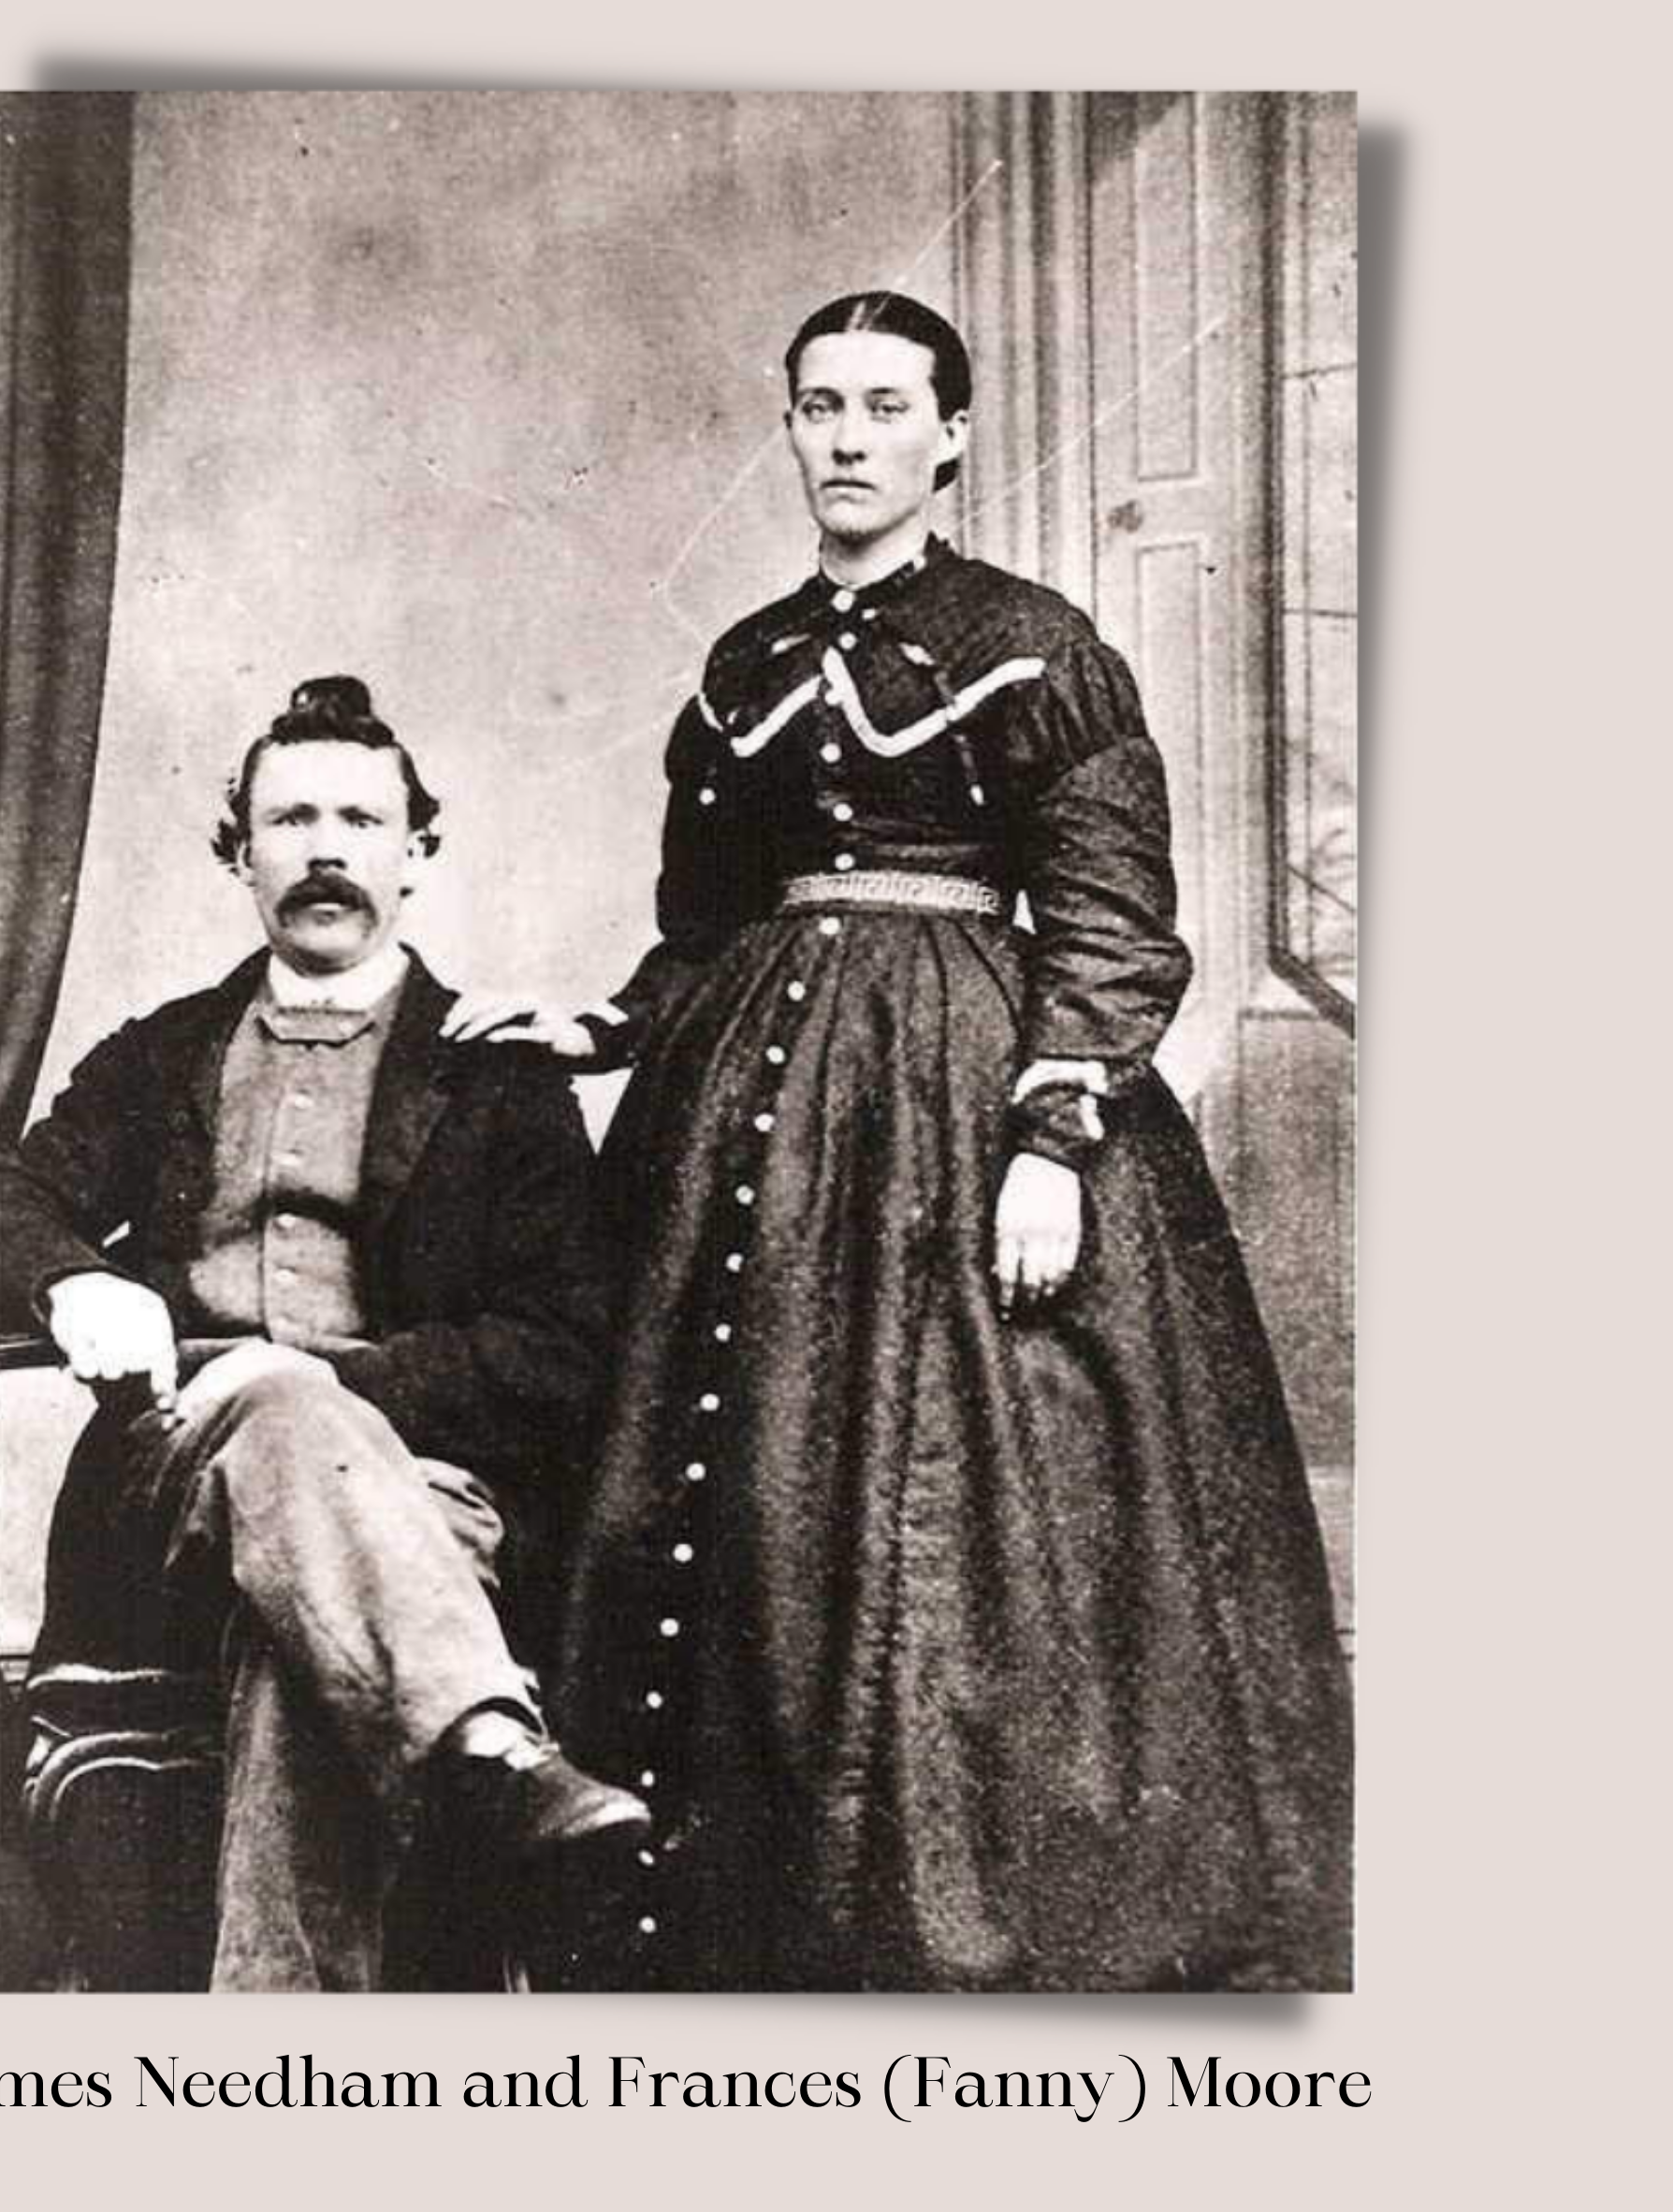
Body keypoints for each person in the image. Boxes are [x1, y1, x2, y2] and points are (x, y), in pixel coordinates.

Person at [448, 293, 1353, 1991]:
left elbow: (1110, 917)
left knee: (964, 1494)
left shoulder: (1035, 642)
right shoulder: (746, 664)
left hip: (969, 1098)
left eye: (884, 407)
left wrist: (1052, 1138)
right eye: (820, 407)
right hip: (747, 1102)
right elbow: (706, 925)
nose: (848, 438)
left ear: (951, 437)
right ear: (790, 431)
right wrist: (607, 1031)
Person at [0, 676, 644, 1991]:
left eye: (360, 820)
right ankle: (487, 1746)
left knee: (298, 1649)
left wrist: (323, 1382)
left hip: (420, 1493)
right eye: (291, 821)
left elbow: (561, 1353)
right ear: (239, 853)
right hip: (172, 1483)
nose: (326, 850)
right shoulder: (161, 1054)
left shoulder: (500, 1078)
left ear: (417, 853)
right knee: (274, 1414)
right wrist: (70, 1283)